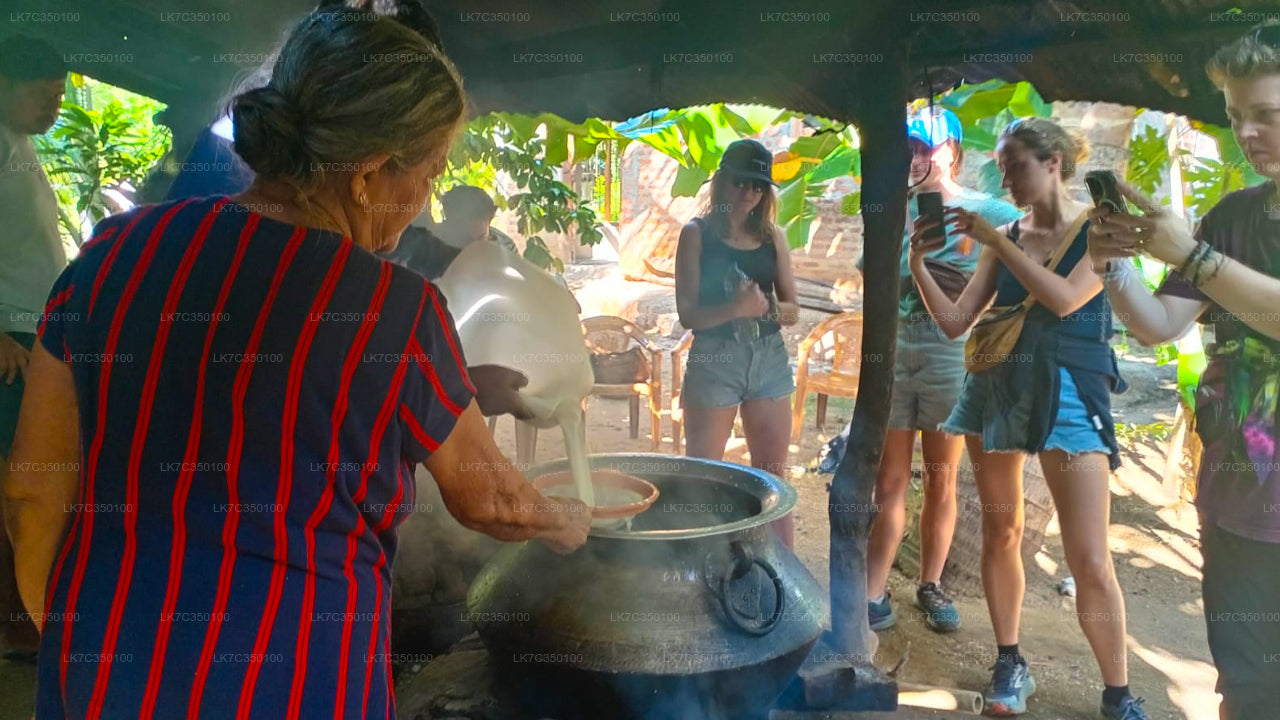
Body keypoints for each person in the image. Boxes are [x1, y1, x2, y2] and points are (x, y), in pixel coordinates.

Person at [1, 9, 590, 720]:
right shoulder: (392, 310)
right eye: (429, 173)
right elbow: (488, 499)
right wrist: (564, 520)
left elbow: (33, 493)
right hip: (294, 679)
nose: (425, 201)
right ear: (369, 175)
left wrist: (71, 635)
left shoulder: (109, 257)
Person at [910, 116, 1147, 719]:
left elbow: (1067, 298)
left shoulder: (1101, 228)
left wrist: (997, 243)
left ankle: (1118, 693)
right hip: (999, 390)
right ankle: (1010, 659)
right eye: (1003, 165)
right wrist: (917, 265)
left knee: (1089, 556)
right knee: (1002, 531)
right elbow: (957, 321)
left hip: (1072, 395)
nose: (1007, 176)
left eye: (1017, 164)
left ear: (1054, 163)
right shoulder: (1008, 234)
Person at [1087, 23, 1280, 720]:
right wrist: (1114, 263)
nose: (1247, 134)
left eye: (1267, 116)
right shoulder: (1233, 216)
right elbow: (1159, 324)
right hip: (1236, 497)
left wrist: (1192, 258)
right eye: (1236, 118)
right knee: (1247, 688)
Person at [849, 108, 1023, 634]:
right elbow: (873, 282)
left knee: (942, 478)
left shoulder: (987, 211)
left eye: (926, 148)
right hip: (898, 352)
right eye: (909, 150)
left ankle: (931, 584)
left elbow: (1013, 276)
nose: (916, 159)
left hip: (955, 351)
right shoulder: (889, 212)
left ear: (951, 150)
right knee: (891, 478)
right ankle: (872, 592)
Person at [674, 139, 801, 545]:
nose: (748, 192)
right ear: (721, 181)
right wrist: (735, 308)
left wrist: (763, 310)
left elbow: (793, 309)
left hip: (769, 360)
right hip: (714, 360)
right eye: (740, 182)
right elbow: (688, 315)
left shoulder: (772, 237)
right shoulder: (695, 235)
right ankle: (701, 574)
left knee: (772, 480)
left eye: (758, 186)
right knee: (702, 478)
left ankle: (782, 579)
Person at [0, 34, 69, 660]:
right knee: (26, 484)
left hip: (32, 332)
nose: (54, 104)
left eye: (60, 94)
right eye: (43, 93)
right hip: (11, 338)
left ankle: (25, 618)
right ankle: (27, 621)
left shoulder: (19, 149)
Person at [385, 184, 519, 280]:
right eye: (465, 240)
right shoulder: (423, 249)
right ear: (447, 224)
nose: (472, 250)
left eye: (482, 239)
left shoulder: (506, 248)